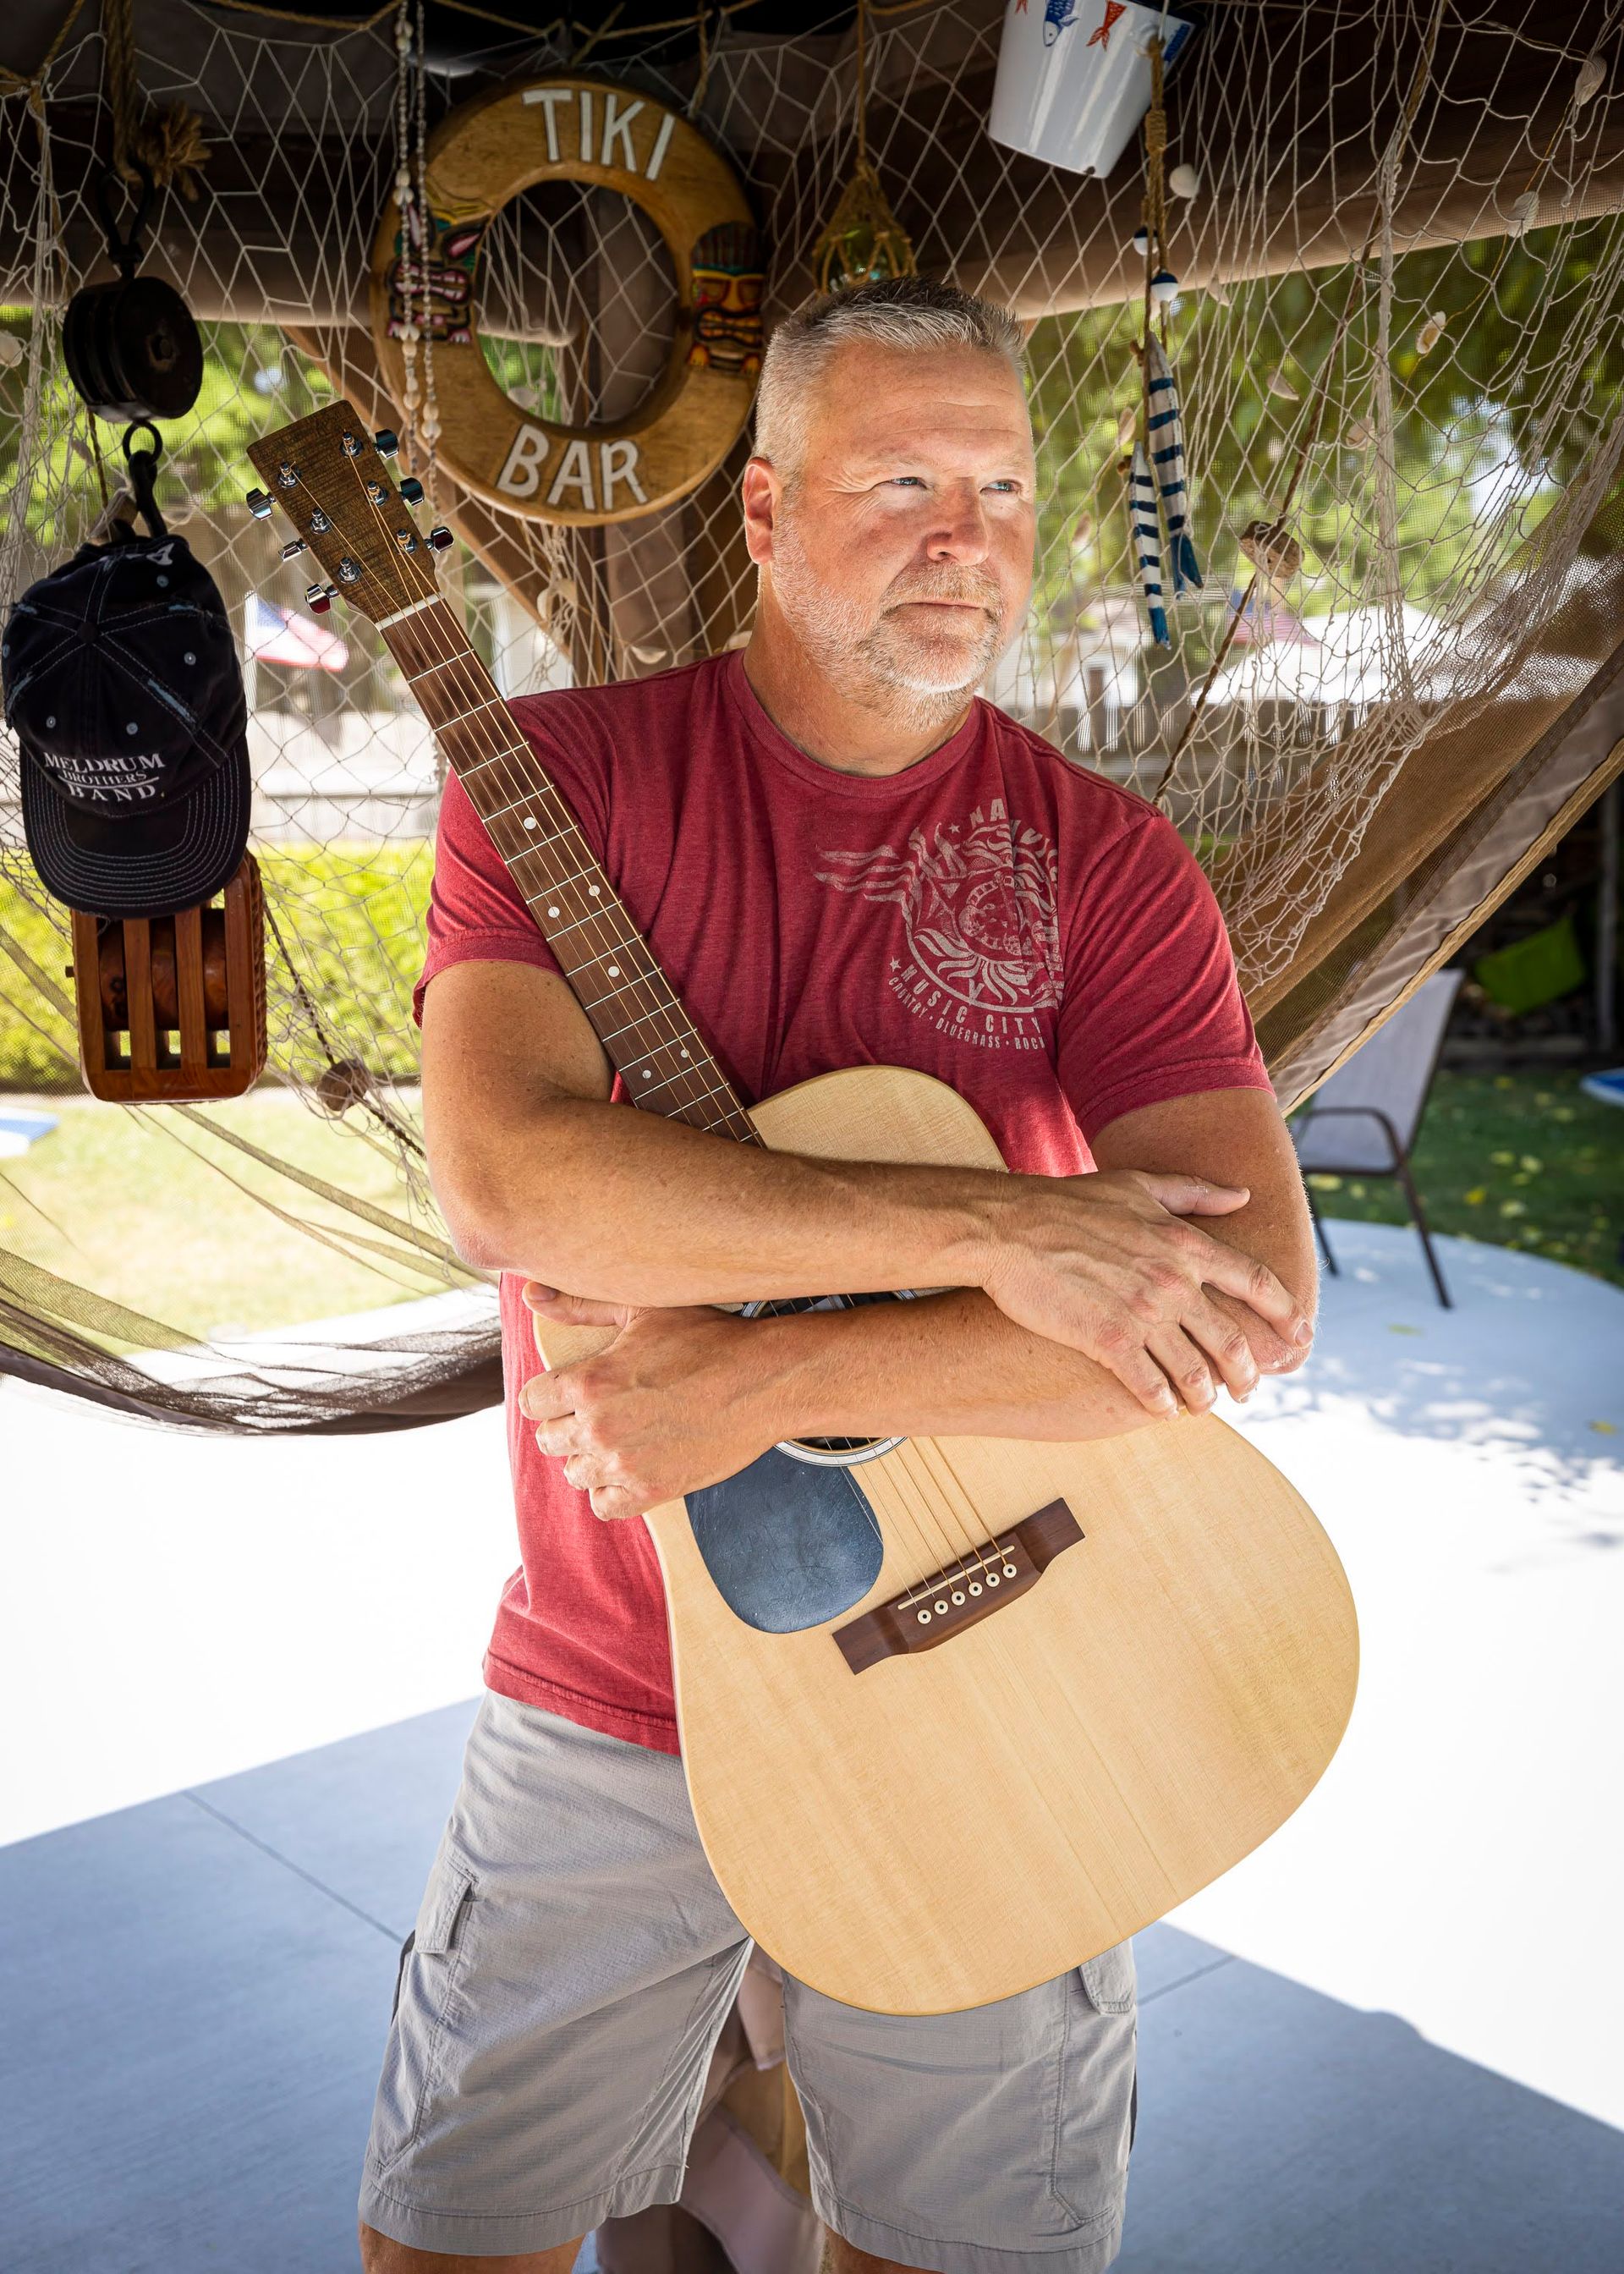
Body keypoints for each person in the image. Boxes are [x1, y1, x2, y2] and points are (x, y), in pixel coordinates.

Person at [359, 276, 1317, 2274]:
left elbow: (1237, 1307)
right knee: (455, 2240)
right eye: (901, 480)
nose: (970, 538)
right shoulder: (564, 785)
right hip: (622, 1691)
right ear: (769, 515)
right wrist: (995, 1231)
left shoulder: (1105, 861)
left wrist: (777, 1378)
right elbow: (513, 1184)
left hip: (1002, 1657)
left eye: (1003, 485)